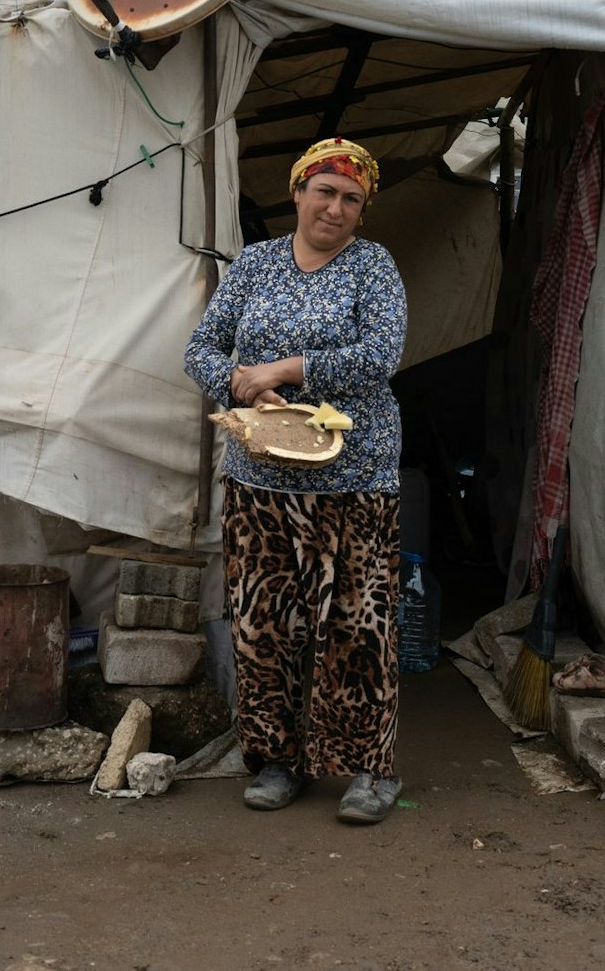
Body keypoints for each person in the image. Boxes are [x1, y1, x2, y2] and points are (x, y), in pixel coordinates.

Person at [183, 137, 408, 824]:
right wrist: (241, 386)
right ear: (297, 191)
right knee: (263, 624)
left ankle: (370, 770)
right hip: (260, 480)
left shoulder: (373, 268)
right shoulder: (253, 266)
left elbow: (382, 355)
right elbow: (200, 348)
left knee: (356, 626)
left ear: (362, 211)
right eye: (324, 191)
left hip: (355, 480)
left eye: (350, 199)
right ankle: (276, 761)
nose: (334, 208)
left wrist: (284, 370)